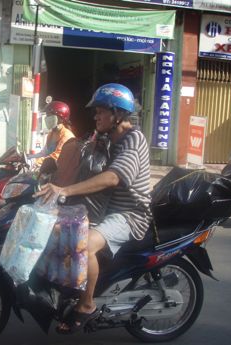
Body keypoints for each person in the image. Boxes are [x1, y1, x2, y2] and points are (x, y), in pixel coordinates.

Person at [33, 83, 152, 334]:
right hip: (104, 210)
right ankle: (67, 291)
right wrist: (53, 177)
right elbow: (79, 159)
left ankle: (86, 305)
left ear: (117, 113)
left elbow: (112, 178)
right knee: (57, 230)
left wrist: (65, 191)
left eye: (100, 111)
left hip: (129, 215)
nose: (95, 116)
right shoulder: (105, 138)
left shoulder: (134, 139)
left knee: (82, 244)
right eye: (95, 111)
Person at [28, 101, 75, 174]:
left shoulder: (67, 136)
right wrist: (29, 157)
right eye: (46, 115)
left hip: (62, 174)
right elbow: (44, 153)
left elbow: (55, 157)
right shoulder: (51, 133)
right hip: (50, 171)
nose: (46, 118)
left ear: (60, 118)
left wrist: (36, 162)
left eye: (49, 115)